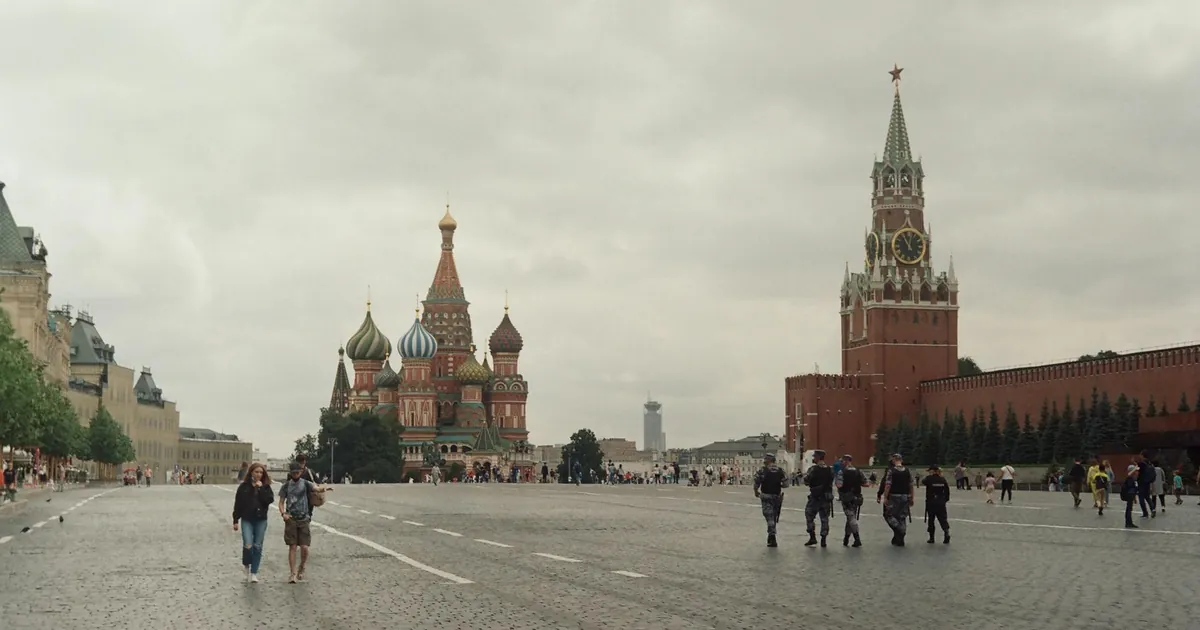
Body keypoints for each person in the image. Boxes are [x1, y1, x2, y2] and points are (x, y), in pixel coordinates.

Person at [278, 462, 320, 583]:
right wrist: (283, 514)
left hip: (304, 518)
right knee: (292, 546)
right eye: (293, 472)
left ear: (301, 472)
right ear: (290, 473)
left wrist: (323, 489)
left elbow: (315, 488)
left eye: (298, 472)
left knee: (305, 547)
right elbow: (281, 502)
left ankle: (302, 566)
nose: (296, 474)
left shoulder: (305, 483)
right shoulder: (286, 486)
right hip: (291, 519)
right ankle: (293, 573)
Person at [233, 463, 275, 583]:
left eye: (261, 472)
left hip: (261, 520)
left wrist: (260, 488)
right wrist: (235, 520)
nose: (258, 474)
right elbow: (238, 504)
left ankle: (254, 572)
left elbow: (268, 500)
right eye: (256, 472)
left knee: (257, 546)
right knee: (248, 544)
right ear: (251, 472)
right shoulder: (244, 487)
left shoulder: (266, 487)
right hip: (247, 519)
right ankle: (246, 564)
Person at [753, 453, 788, 547]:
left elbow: (756, 481)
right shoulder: (781, 470)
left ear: (769, 460)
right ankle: (771, 534)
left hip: (766, 496)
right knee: (774, 516)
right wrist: (778, 484)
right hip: (777, 496)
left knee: (769, 517)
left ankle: (772, 536)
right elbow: (786, 484)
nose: (764, 461)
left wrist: (756, 491)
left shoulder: (763, 470)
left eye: (765, 459)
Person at [801, 450, 834, 547]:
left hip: (815, 497)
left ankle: (812, 537)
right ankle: (823, 539)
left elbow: (806, 481)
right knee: (824, 519)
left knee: (809, 514)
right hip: (826, 497)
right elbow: (831, 481)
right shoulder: (829, 469)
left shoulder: (813, 469)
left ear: (818, 457)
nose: (813, 458)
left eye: (815, 457)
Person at [879, 453, 913, 546]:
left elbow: (888, 485)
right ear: (901, 460)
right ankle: (900, 536)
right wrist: (912, 497)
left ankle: (900, 531)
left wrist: (885, 497)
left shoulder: (891, 471)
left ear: (894, 461)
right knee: (902, 517)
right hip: (905, 496)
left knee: (888, 515)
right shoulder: (907, 470)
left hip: (894, 496)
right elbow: (911, 485)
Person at [835, 454, 865, 548]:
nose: (842, 462)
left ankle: (857, 538)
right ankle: (846, 538)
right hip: (856, 497)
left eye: (843, 461)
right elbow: (866, 483)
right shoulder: (858, 471)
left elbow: (839, 485)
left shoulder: (842, 471)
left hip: (846, 497)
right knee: (850, 517)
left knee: (851, 518)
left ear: (845, 461)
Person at [922, 465, 951, 544]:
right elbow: (947, 491)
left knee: (931, 520)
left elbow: (923, 481)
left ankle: (932, 538)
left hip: (931, 503)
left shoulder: (929, 479)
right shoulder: (942, 479)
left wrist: (930, 475)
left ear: (932, 471)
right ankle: (946, 533)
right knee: (943, 519)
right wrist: (944, 500)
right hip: (941, 503)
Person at [1121, 464, 1140, 529]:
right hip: (1129, 495)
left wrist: (1134, 498)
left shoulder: (1133, 479)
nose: (1137, 472)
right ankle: (1128, 523)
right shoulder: (1130, 478)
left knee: (1129, 509)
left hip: (1131, 495)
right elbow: (1129, 475)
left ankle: (1129, 522)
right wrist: (1134, 469)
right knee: (1129, 509)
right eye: (1136, 471)